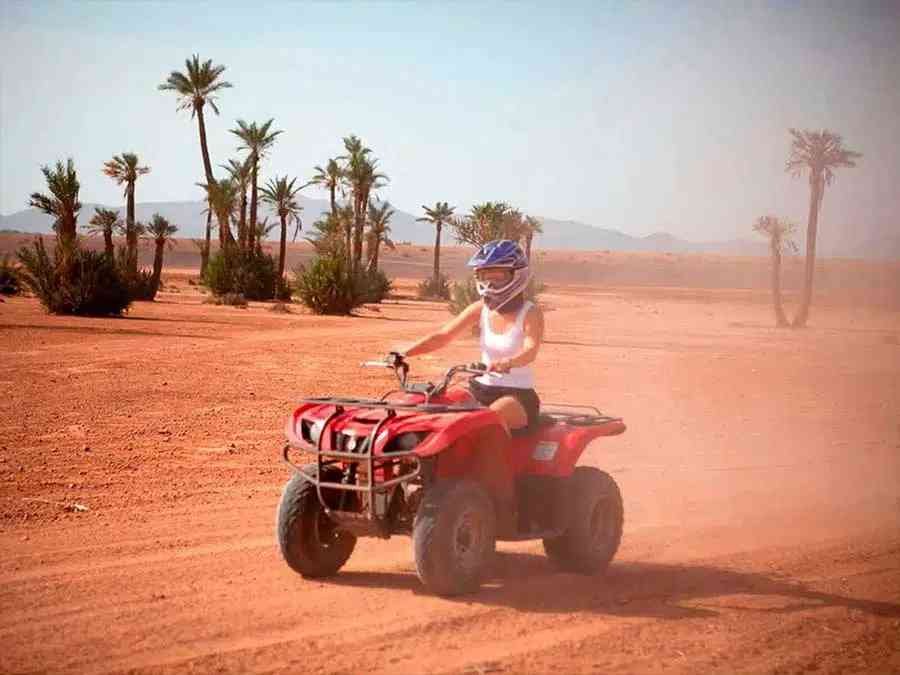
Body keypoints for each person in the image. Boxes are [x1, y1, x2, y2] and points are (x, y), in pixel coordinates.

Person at [397, 239, 544, 432]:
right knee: (431, 408)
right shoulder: (480, 309)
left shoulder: (530, 312)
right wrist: (402, 354)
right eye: (485, 276)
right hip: (480, 388)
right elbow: (443, 336)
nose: (490, 283)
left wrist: (508, 362)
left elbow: (530, 350)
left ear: (517, 274)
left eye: (498, 276)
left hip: (517, 395)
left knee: (487, 422)